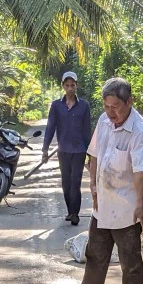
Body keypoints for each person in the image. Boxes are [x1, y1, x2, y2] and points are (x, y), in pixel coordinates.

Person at [63, 77, 143, 284]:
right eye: (106, 106)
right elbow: (93, 154)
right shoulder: (104, 122)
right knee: (95, 254)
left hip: (126, 206)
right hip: (102, 203)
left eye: (115, 106)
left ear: (129, 102)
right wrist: (92, 184)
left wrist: (141, 205)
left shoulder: (141, 131)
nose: (110, 112)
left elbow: (140, 173)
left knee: (130, 260)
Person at [42, 71, 93, 225]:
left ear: (76, 86)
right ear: (63, 86)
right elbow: (50, 127)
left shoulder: (84, 105)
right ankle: (70, 211)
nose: (70, 88)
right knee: (66, 182)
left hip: (79, 150)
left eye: (73, 85)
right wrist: (45, 149)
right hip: (63, 150)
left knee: (75, 182)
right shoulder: (57, 105)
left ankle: (75, 213)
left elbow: (86, 129)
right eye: (67, 85)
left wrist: (90, 152)